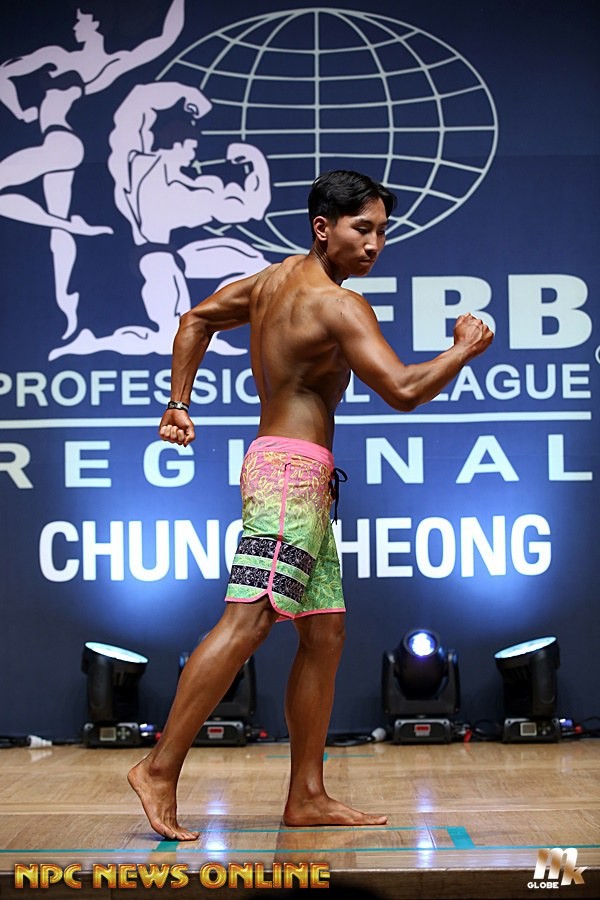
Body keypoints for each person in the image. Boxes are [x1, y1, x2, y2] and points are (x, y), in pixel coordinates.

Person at [127, 169, 494, 841]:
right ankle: (158, 768)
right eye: (362, 229)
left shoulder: (269, 283)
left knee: (324, 633)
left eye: (383, 231)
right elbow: (403, 390)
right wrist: (463, 349)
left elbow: (195, 319)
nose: (375, 244)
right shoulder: (339, 305)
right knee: (248, 621)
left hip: (300, 475)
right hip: (290, 477)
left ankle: (307, 793)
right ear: (323, 227)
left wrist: (179, 401)